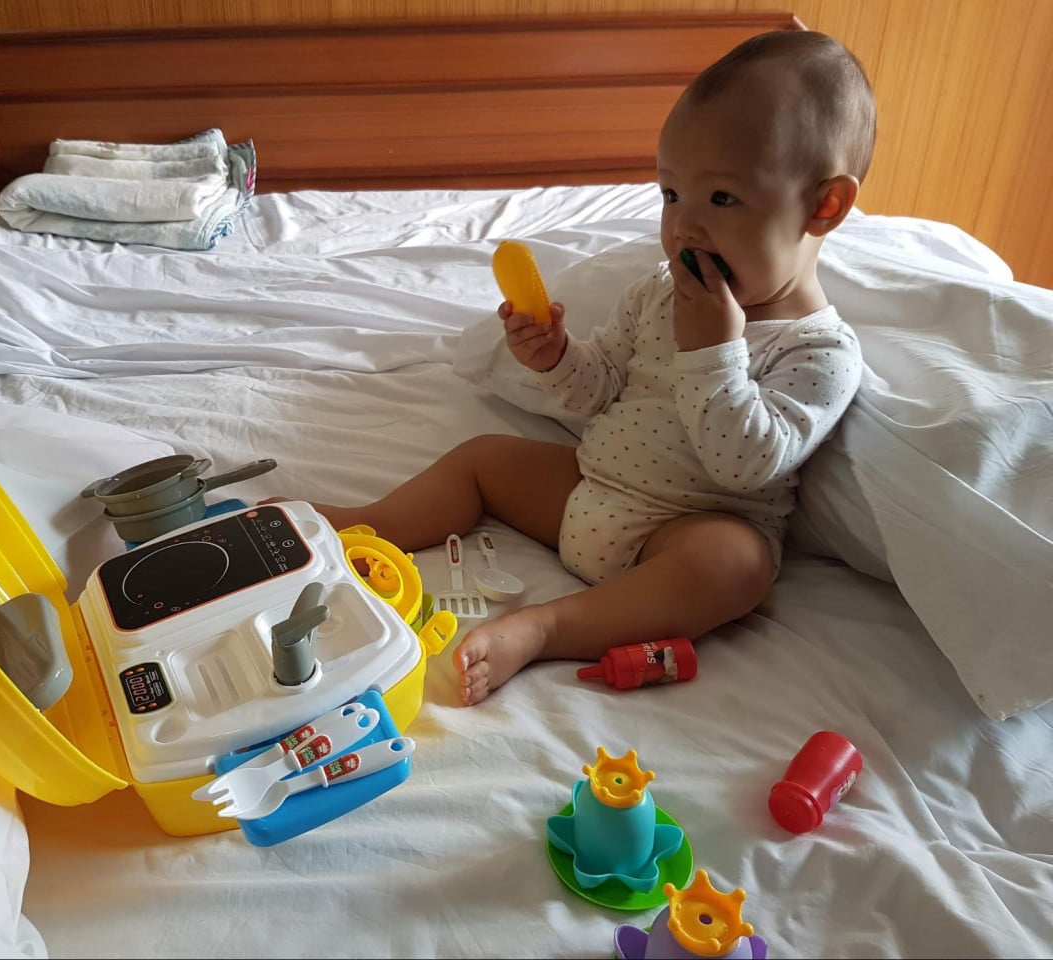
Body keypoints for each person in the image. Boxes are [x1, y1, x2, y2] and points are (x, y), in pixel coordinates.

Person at [267, 29, 874, 705]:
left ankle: (546, 628)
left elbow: (745, 464)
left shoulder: (819, 351)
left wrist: (712, 352)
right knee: (484, 457)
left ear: (825, 206)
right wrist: (557, 357)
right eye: (671, 195)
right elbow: (599, 388)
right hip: (589, 488)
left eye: (722, 199)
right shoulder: (657, 291)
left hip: (684, 532)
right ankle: (362, 528)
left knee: (738, 567)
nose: (684, 228)